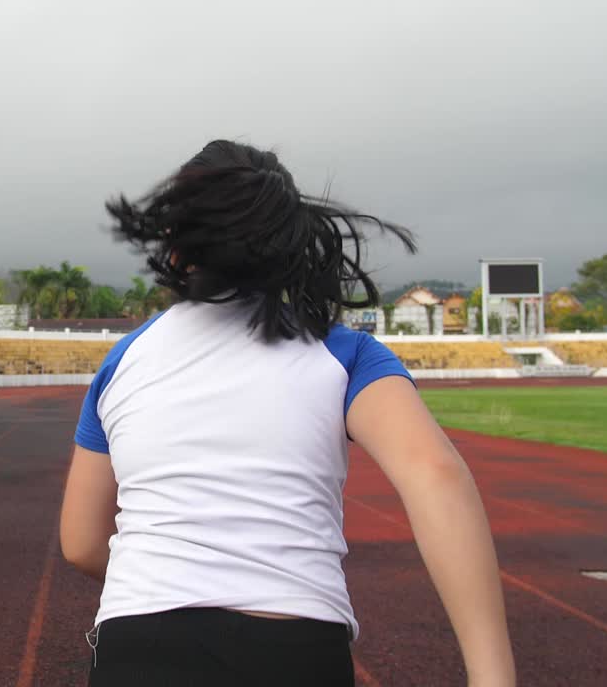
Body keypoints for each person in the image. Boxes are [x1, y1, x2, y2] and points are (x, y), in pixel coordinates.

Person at [60, 140, 515, 686]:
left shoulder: (123, 361)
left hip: (138, 645)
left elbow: (82, 543)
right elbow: (436, 475)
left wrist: (169, 586)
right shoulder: (344, 354)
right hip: (294, 649)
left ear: (175, 242)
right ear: (287, 239)